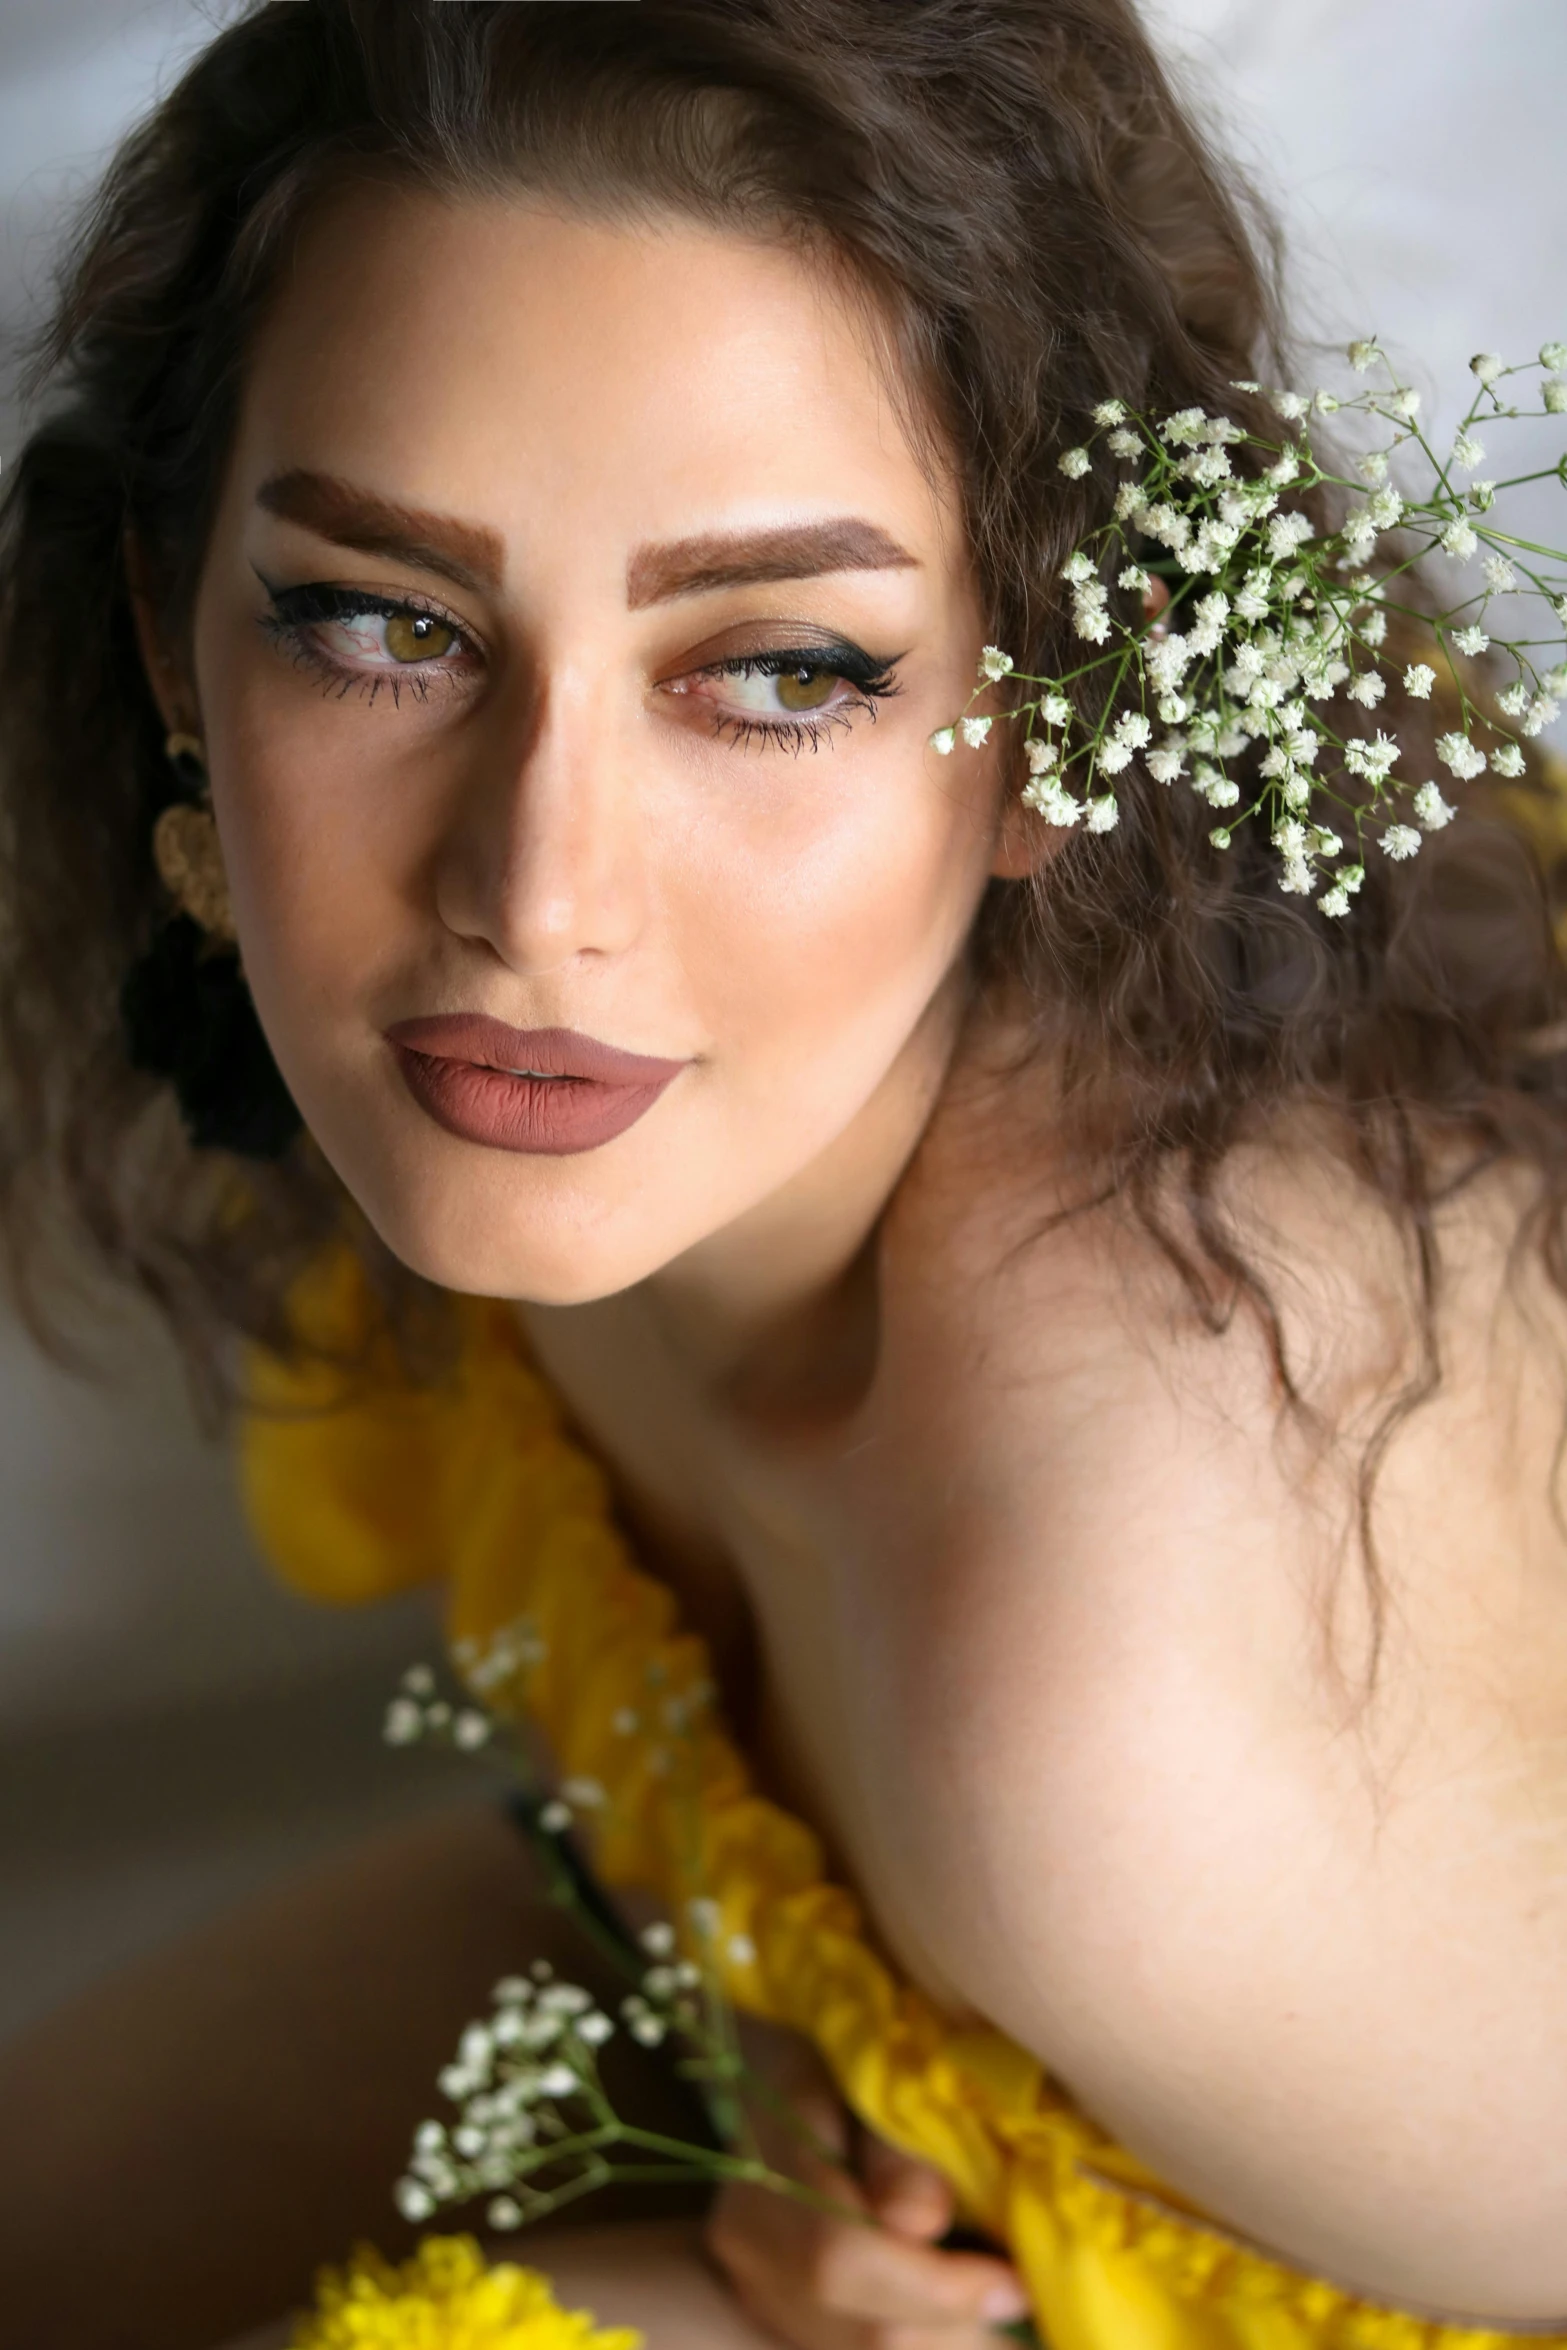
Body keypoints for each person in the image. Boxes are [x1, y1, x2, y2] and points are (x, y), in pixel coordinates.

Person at [1, 2, 1565, 2344]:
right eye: (385, 623)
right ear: (170, 633)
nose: (539, 894)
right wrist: (766, 2060)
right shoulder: (599, 1088)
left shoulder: (1128, 1708)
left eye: (781, 671)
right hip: (782, 2000)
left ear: (1061, 713)